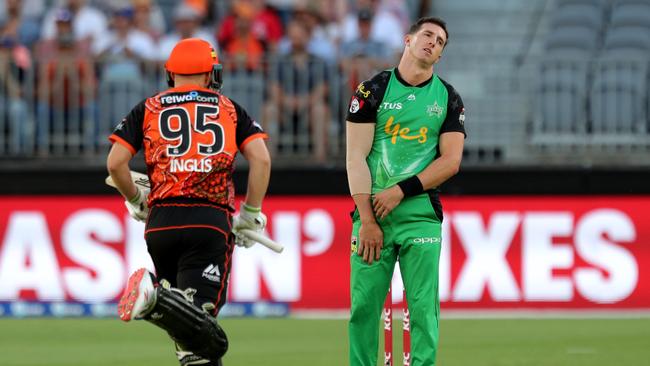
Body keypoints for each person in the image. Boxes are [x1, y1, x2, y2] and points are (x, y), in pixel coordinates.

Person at [106, 38, 271, 366]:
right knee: (208, 334)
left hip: (160, 224)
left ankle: (160, 302)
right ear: (210, 74)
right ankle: (154, 300)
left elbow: (115, 164)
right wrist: (251, 213)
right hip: (208, 221)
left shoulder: (148, 107)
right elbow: (261, 160)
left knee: (189, 337)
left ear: (171, 74)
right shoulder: (230, 108)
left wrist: (137, 198)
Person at [345, 17, 466, 366]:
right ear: (408, 39)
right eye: (427, 35)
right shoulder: (372, 90)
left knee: (423, 309)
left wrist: (401, 190)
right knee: (364, 309)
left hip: (421, 216)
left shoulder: (448, 98)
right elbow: (355, 158)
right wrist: (366, 219)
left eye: (440, 41)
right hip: (372, 218)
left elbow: (451, 161)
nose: (433, 42)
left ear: (440, 56)